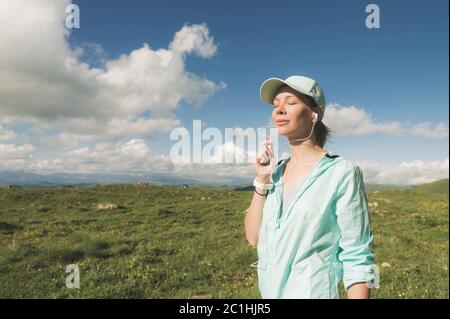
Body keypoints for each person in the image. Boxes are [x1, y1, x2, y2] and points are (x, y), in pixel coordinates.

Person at [244, 75, 378, 299]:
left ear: (316, 113)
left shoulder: (342, 172)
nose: (279, 110)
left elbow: (359, 256)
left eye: (291, 102)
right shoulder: (275, 173)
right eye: (276, 105)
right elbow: (253, 237)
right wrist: (262, 180)